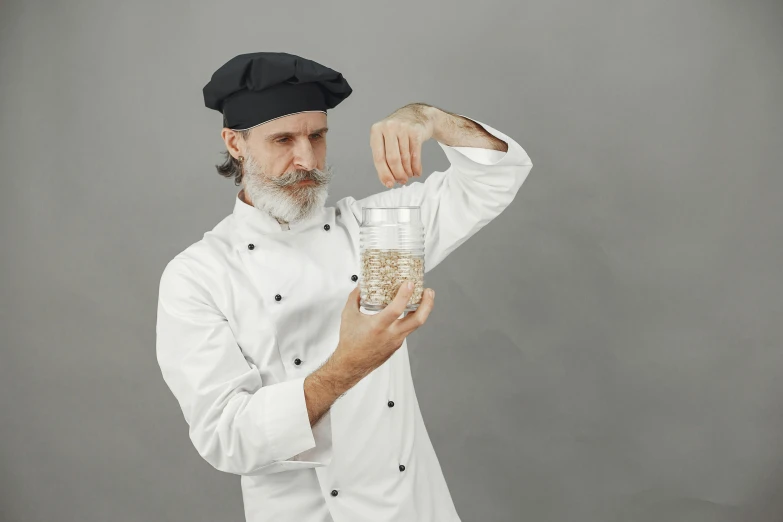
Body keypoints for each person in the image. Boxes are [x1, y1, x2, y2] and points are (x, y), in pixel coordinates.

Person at [155, 51, 533, 522]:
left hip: (412, 510)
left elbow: (495, 178)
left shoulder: (375, 232)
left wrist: (430, 119)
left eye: (317, 135)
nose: (307, 159)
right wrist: (350, 363)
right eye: (283, 139)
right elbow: (227, 438)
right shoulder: (200, 275)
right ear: (235, 143)